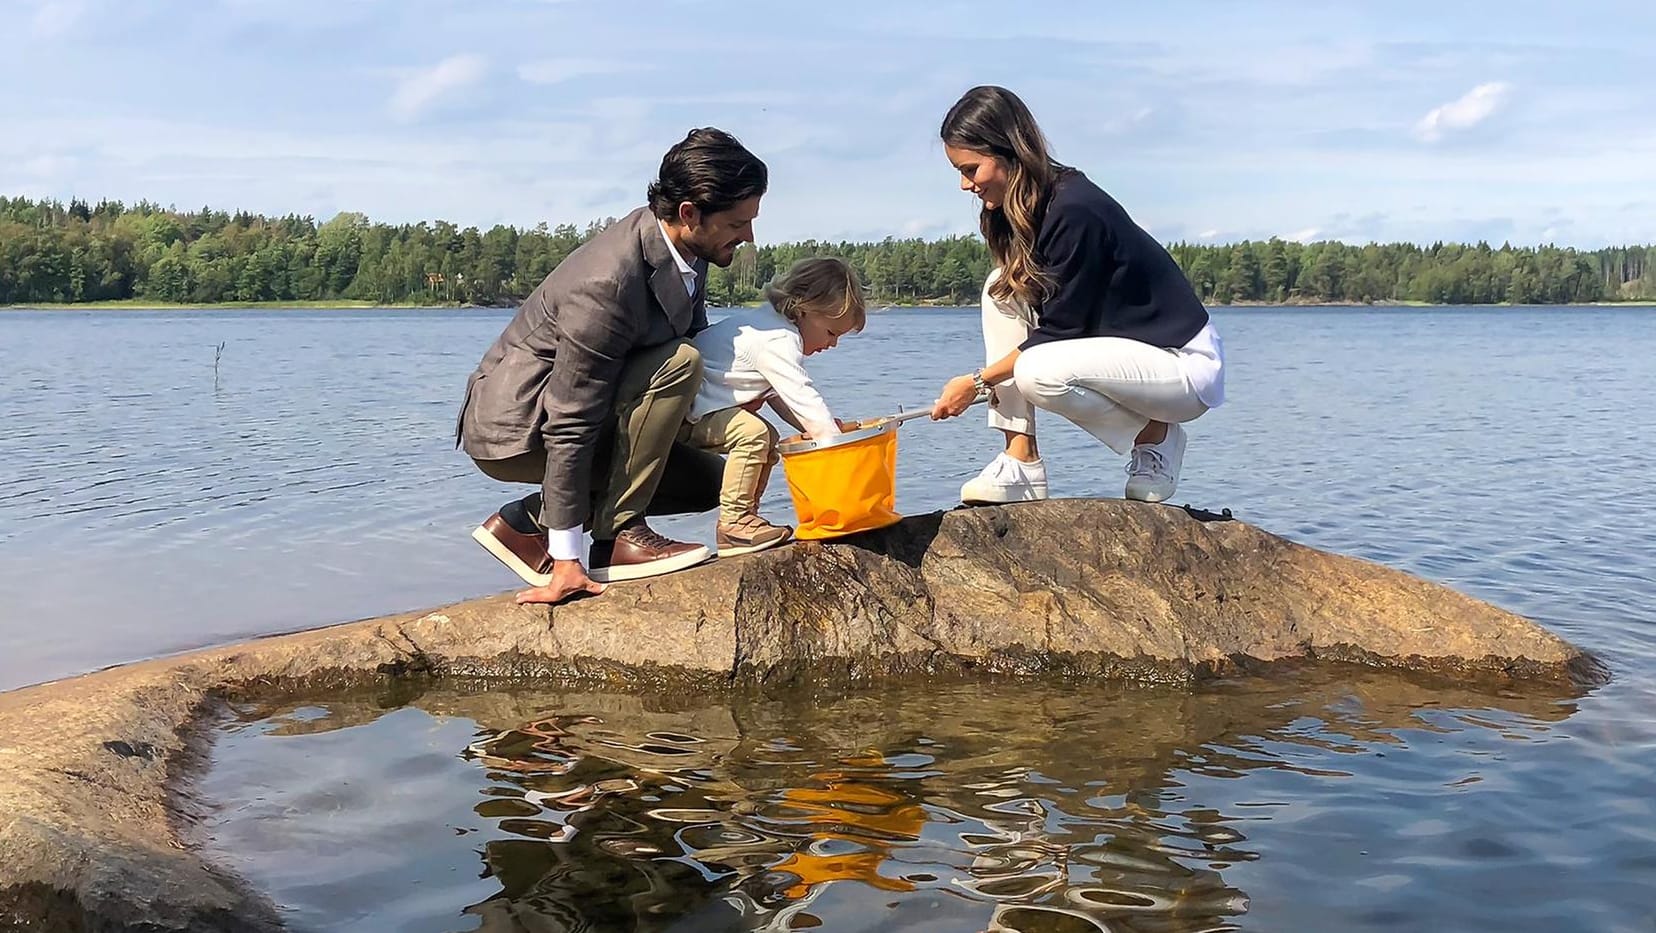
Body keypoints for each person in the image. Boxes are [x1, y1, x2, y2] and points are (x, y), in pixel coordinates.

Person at [457, 128, 767, 604]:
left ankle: (526, 525)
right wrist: (567, 561)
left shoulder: (691, 249)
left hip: (586, 409)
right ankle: (617, 537)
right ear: (689, 214)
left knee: (706, 482)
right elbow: (571, 419)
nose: (747, 236)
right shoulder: (607, 280)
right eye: (737, 223)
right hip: (520, 427)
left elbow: (695, 342)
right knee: (680, 362)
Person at [928, 86, 1225, 505]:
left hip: (1183, 366)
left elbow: (1060, 333)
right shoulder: (1019, 207)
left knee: (1038, 372)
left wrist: (976, 383)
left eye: (971, 169)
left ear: (1008, 152)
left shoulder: (1074, 208)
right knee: (1000, 288)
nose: (964, 184)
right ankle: (1021, 458)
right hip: (1128, 355)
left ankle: (1156, 436)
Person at [681, 257, 866, 555]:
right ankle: (735, 521)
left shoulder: (767, 323)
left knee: (767, 437)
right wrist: (830, 437)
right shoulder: (778, 339)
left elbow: (780, 396)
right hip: (683, 413)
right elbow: (801, 394)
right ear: (804, 309)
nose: (833, 344)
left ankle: (744, 518)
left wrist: (820, 428)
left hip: (699, 408)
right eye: (831, 333)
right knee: (754, 434)